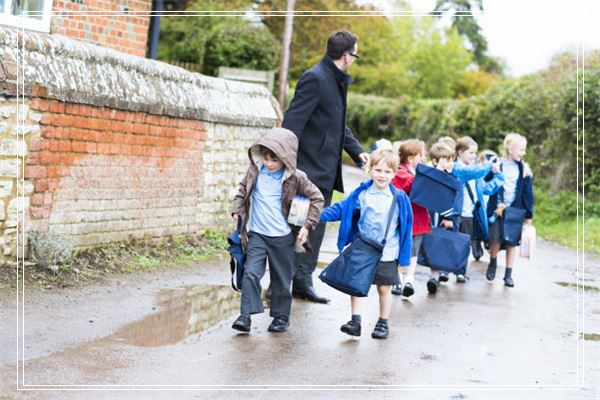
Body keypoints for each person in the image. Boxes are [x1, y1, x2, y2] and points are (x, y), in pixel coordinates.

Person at [282, 30, 369, 304]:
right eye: (355, 54)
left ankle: (302, 281)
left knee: (314, 228)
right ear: (346, 56)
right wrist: (290, 167)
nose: (355, 59)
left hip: (326, 173)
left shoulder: (335, 80)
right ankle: (281, 283)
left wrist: (358, 153)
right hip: (307, 172)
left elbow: (337, 124)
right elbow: (292, 124)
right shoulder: (315, 78)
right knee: (296, 226)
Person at [230, 128, 324, 333]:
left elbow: (317, 198)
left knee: (281, 278)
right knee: (250, 273)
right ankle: (245, 316)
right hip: (257, 234)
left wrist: (307, 225)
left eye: (275, 159)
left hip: (282, 237)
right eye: (265, 158)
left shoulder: (297, 177)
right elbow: (242, 189)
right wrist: (238, 208)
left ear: (286, 158)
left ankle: (281, 317)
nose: (269, 164)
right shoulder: (255, 171)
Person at [320, 149, 413, 338]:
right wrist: (316, 215)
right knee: (356, 284)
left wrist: (405, 257)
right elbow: (341, 209)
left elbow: (407, 228)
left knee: (384, 288)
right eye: (378, 170)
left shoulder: (400, 198)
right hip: (363, 247)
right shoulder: (362, 194)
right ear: (369, 169)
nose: (382, 175)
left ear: (394, 173)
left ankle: (383, 322)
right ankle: (355, 321)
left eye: (388, 172)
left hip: (387, 251)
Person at [485, 133, 534, 287]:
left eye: (524, 150)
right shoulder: (497, 165)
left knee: (511, 242)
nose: (523, 153)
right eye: (521, 149)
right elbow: (486, 182)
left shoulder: (524, 169)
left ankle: (508, 274)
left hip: (515, 210)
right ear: (510, 149)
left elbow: (528, 193)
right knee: (494, 239)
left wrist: (529, 215)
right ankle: (492, 262)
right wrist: (491, 172)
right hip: (497, 209)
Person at [454, 137, 504, 274]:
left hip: (470, 214)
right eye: (471, 153)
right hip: (456, 213)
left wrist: (498, 176)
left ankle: (461, 272)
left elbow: (486, 189)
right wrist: (489, 165)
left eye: (475, 153)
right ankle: (443, 272)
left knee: (465, 244)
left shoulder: (476, 171)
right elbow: (473, 171)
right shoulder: (457, 168)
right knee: (452, 243)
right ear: (460, 152)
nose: (474, 156)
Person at [390, 139, 430, 298]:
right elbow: (408, 186)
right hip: (405, 219)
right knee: (400, 249)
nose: (424, 158)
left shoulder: (417, 173)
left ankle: (409, 280)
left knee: (413, 251)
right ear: (411, 158)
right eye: (422, 155)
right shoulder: (401, 173)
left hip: (418, 219)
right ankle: (398, 279)